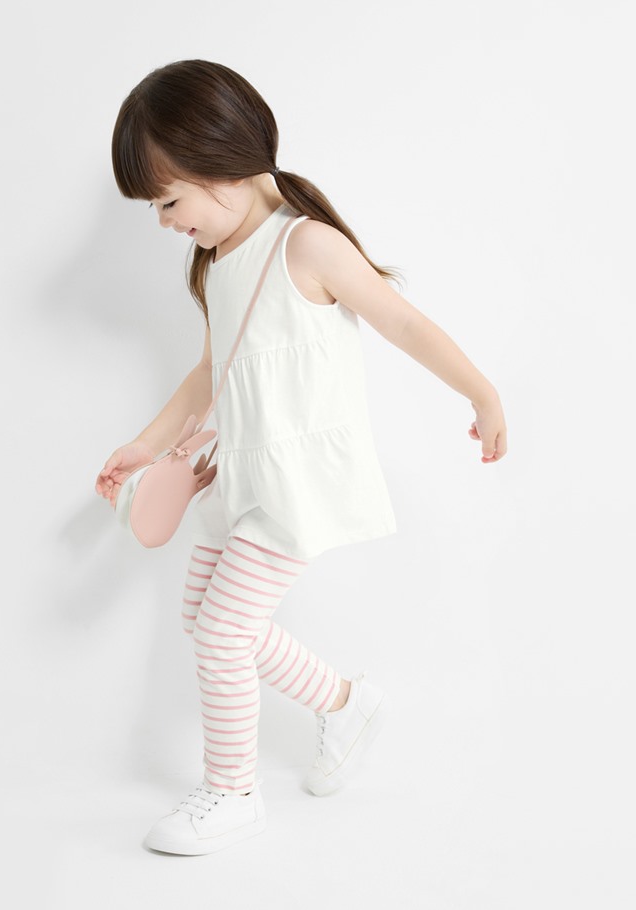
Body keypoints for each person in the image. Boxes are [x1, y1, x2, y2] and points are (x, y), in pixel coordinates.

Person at [95, 59, 507, 856]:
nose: (165, 222)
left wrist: (481, 394)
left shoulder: (306, 245)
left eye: (169, 201)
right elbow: (210, 371)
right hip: (240, 471)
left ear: (223, 163)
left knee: (223, 634)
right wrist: (144, 445)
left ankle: (233, 791)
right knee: (204, 620)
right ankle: (345, 704)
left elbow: (402, 322)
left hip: (295, 480)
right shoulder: (218, 262)